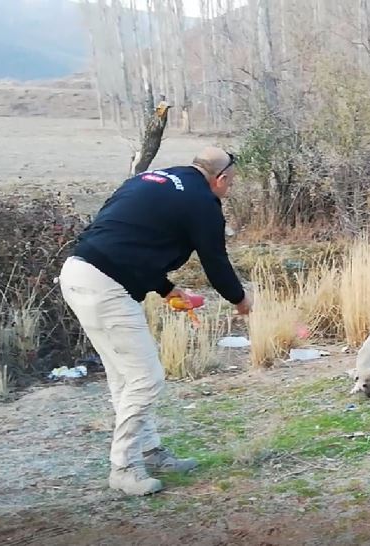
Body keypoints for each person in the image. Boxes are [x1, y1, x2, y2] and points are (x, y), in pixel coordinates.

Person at [58, 146, 251, 496]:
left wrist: (165, 288)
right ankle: (124, 468)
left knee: (125, 376)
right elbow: (215, 261)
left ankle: (150, 453)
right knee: (146, 378)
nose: (230, 188)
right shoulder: (203, 202)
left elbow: (127, 238)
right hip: (106, 285)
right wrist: (240, 300)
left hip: (77, 272)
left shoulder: (152, 180)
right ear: (220, 179)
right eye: (231, 182)